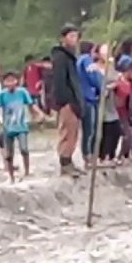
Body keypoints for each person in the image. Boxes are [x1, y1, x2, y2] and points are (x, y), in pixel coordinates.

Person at [50, 23, 84, 177]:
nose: (74, 39)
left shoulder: (70, 57)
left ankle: (69, 161)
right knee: (67, 132)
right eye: (71, 36)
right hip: (67, 101)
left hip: (74, 100)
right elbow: (59, 81)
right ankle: (64, 163)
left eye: (76, 36)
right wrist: (65, 101)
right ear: (63, 38)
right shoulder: (60, 57)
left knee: (74, 133)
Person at [0, 70, 35, 181]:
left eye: (12, 80)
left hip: (21, 126)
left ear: (17, 81)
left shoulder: (22, 92)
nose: (10, 83)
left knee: (24, 149)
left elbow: (30, 104)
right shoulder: (2, 95)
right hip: (8, 127)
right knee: (9, 153)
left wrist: (36, 114)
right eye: (8, 81)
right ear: (4, 82)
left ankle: (27, 170)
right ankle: (11, 175)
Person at [77, 42, 105, 162]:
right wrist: (101, 88)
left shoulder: (78, 61)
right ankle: (88, 154)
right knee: (91, 129)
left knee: (88, 128)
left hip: (84, 95)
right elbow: (93, 77)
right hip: (88, 97)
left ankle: (88, 153)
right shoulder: (87, 60)